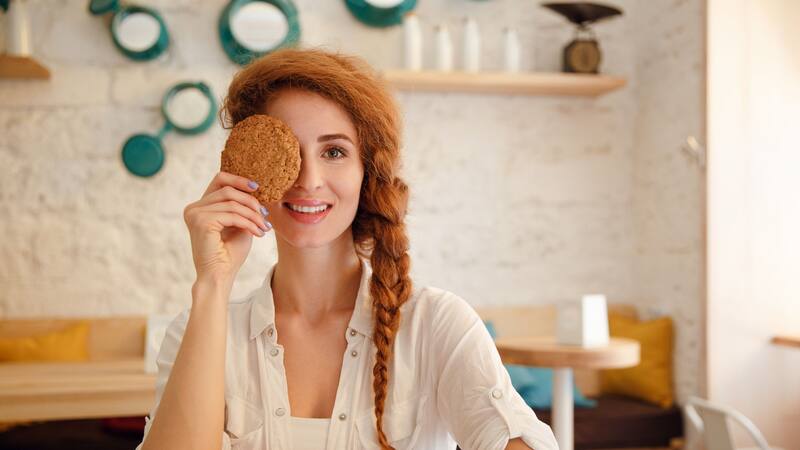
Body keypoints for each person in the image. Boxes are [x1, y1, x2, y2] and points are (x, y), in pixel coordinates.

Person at [136, 47, 558, 450]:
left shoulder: (436, 326)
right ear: (252, 168)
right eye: (290, 154)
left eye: (334, 151)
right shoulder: (202, 332)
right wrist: (213, 281)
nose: (309, 179)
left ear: (366, 172)